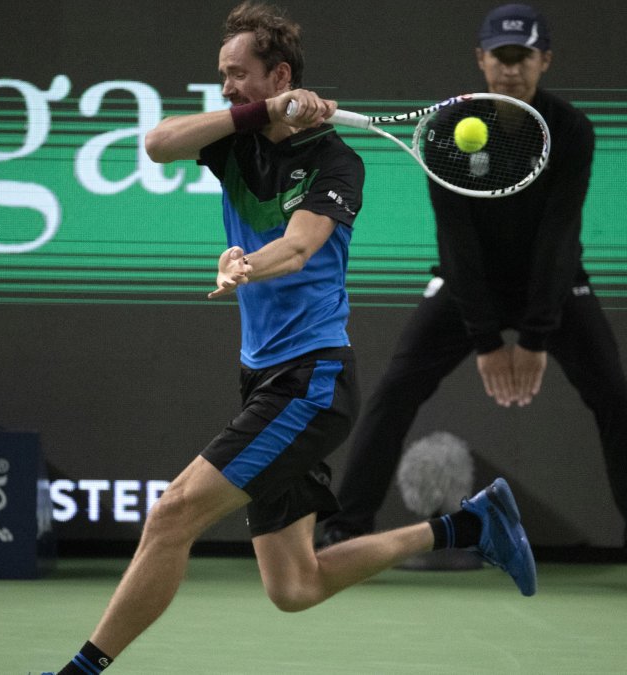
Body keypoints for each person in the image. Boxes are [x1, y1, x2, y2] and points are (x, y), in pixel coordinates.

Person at [49, 3, 537, 672]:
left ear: (279, 74)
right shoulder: (237, 141)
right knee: (295, 585)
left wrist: (245, 264)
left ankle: (79, 670)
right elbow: (158, 142)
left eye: (239, 74)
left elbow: (301, 246)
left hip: (311, 383)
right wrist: (260, 112)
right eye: (223, 74)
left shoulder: (336, 161)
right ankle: (469, 526)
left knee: (171, 515)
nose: (227, 86)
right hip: (263, 377)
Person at [318, 3, 627, 592]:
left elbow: (559, 236)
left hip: (553, 283)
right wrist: (486, 340)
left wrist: (536, 336)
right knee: (395, 390)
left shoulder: (571, 130)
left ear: (544, 61)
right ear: (482, 59)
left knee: (615, 396)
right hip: (469, 284)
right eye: (501, 56)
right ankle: (343, 532)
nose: (511, 68)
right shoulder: (447, 130)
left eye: (523, 56)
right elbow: (456, 241)